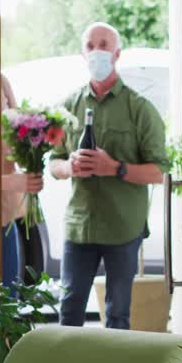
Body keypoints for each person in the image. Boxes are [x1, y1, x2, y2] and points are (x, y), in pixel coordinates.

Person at [49, 23, 168, 329]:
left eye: (104, 45)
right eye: (91, 45)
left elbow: (158, 172)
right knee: (70, 309)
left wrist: (114, 168)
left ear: (117, 53)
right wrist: (69, 166)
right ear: (82, 53)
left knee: (117, 316)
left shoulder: (139, 109)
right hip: (80, 227)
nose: (97, 51)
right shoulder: (67, 107)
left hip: (122, 228)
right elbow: (53, 163)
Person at [0, 73, 44, 291]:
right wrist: (9, 182)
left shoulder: (0, 80)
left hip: (7, 215)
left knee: (10, 294)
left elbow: (18, 135)